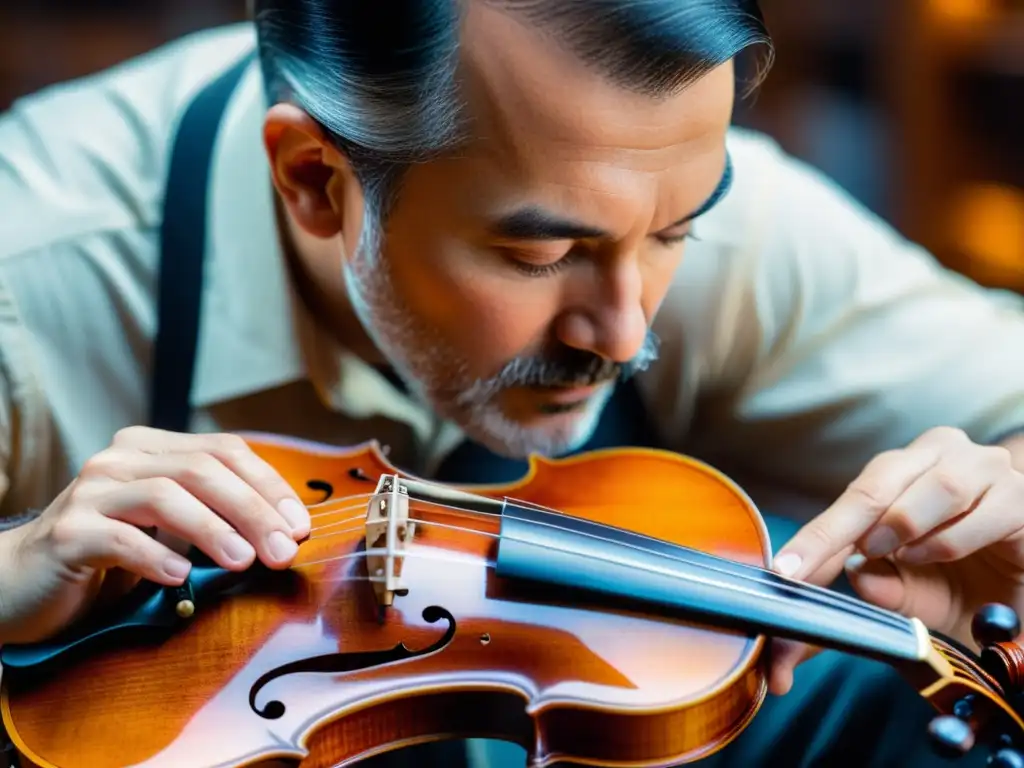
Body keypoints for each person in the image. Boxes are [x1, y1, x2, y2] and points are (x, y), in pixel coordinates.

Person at [0, 1, 1022, 766]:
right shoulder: (30, 274)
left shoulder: (687, 194)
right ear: (315, 179)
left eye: (675, 233)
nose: (624, 332)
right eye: (541, 258)